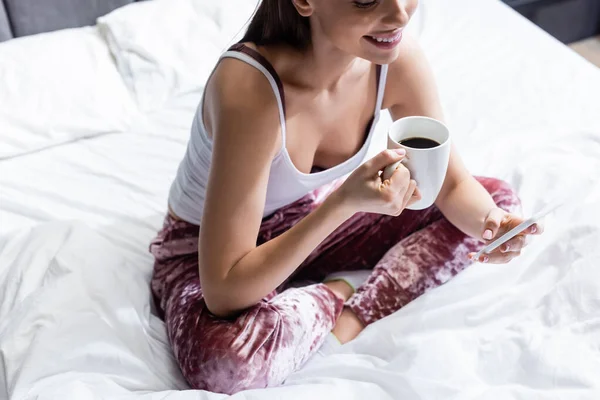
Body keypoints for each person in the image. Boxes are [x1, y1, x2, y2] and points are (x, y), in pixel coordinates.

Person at [149, 0, 543, 394]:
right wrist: (344, 203)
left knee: (498, 199)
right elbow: (223, 292)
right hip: (201, 251)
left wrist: (493, 225)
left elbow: (453, 186)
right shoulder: (250, 90)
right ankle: (334, 291)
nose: (401, 14)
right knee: (226, 364)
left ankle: (355, 309)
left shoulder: (396, 61)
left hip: (306, 219)